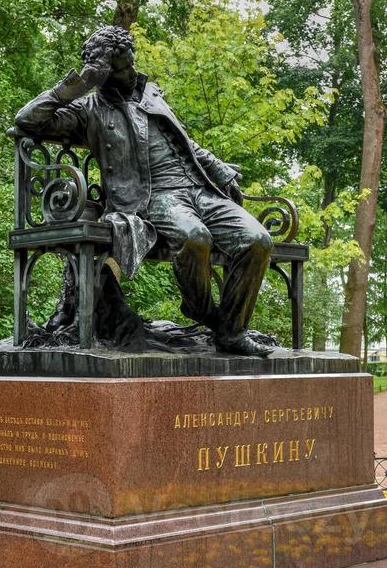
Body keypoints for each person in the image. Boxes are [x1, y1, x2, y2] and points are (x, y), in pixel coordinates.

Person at [14, 26, 274, 357]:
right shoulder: (89, 109)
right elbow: (26, 119)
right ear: (103, 73)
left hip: (201, 189)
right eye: (122, 67)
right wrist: (79, 83)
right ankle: (201, 309)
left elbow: (186, 144)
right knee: (195, 237)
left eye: (130, 62)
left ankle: (231, 332)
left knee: (258, 240)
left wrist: (220, 170)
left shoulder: (152, 95)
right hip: (154, 198)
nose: (131, 71)